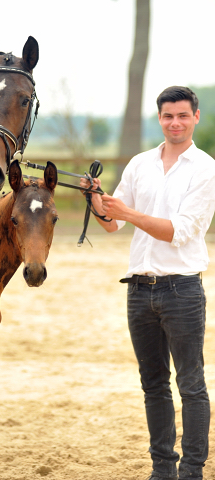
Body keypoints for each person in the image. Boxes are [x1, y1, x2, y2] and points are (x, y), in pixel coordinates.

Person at [80, 86, 215, 480]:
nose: (175, 122)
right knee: (153, 385)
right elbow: (112, 223)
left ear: (196, 117)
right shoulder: (139, 164)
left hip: (183, 291)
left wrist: (129, 213)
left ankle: (191, 471)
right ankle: (162, 470)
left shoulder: (206, 169)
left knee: (191, 385)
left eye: (182, 116)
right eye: (168, 116)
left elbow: (181, 232)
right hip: (138, 290)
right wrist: (95, 200)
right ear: (159, 118)